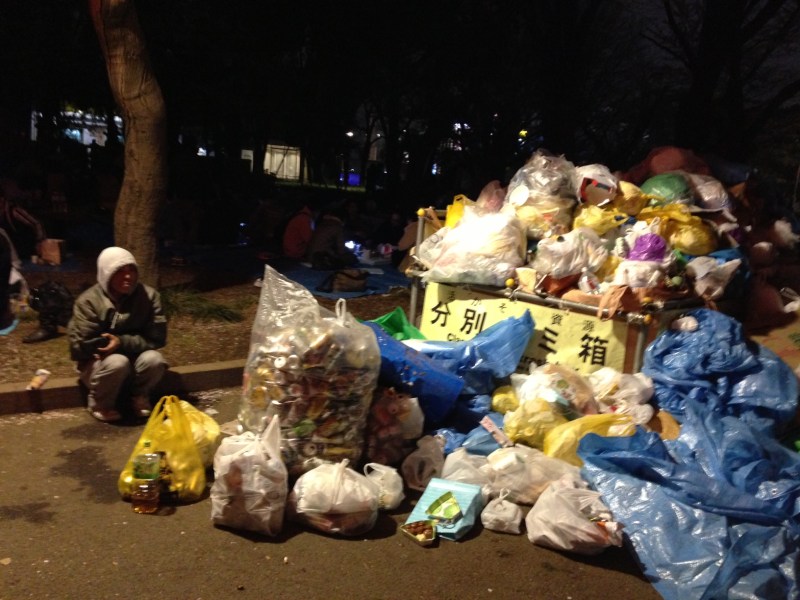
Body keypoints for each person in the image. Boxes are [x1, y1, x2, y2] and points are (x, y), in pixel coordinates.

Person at [68, 246, 168, 423]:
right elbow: (80, 346)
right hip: (100, 365)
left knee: (155, 359)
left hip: (135, 360)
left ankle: (139, 396)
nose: (128, 276)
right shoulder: (88, 301)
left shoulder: (149, 296)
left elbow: (157, 337)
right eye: (119, 271)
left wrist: (121, 342)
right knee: (117, 362)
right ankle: (100, 403)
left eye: (132, 270)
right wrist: (105, 345)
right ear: (106, 274)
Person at [306, 203, 359, 269]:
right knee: (352, 259)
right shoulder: (337, 226)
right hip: (321, 258)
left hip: (310, 256)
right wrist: (351, 252)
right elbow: (341, 250)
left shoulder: (322, 223)